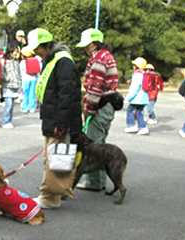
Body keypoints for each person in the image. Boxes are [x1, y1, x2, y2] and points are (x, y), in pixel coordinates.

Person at [26, 28, 82, 208]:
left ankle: (50, 198)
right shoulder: (53, 59)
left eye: (37, 48)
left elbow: (67, 95)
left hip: (59, 120)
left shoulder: (62, 61)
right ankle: (53, 195)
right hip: (53, 117)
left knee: (55, 159)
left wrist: (62, 124)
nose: (35, 52)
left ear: (46, 45)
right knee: (53, 158)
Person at [74, 28, 119, 191]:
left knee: (93, 146)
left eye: (87, 45)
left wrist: (89, 108)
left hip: (99, 104)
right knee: (100, 143)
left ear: (93, 44)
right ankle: (98, 181)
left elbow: (95, 86)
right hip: (108, 104)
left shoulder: (98, 59)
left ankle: (93, 182)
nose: (85, 48)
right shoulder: (107, 55)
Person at [124, 57, 149, 135]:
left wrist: (128, 97)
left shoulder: (137, 74)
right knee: (139, 112)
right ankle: (143, 127)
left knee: (130, 110)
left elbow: (134, 88)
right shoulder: (144, 74)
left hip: (137, 98)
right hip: (143, 98)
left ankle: (132, 126)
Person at [0, 43, 21, 129]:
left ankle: (9, 121)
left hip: (15, 85)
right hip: (7, 85)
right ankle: (5, 121)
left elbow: (18, 73)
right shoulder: (3, 61)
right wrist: (6, 78)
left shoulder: (16, 62)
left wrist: (19, 82)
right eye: (15, 51)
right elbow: (1, 73)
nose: (16, 53)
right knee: (8, 105)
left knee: (11, 105)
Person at [19, 46, 41, 113]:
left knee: (25, 93)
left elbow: (21, 72)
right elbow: (38, 70)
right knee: (32, 93)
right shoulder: (36, 60)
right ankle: (32, 107)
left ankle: (24, 107)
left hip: (25, 79)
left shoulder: (22, 62)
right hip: (34, 79)